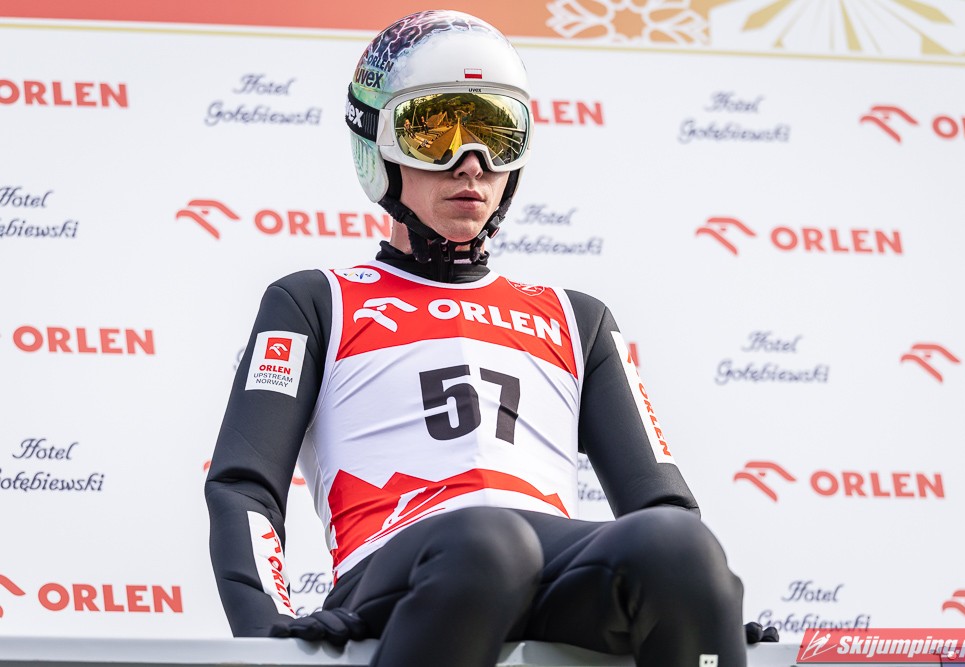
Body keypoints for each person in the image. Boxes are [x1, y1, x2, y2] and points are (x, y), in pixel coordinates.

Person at [206, 9, 772, 666]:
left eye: (497, 134)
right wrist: (266, 627)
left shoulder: (577, 317)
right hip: (404, 568)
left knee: (678, 549)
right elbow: (244, 483)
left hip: (546, 564)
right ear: (378, 147)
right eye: (434, 133)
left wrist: (704, 603)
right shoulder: (314, 301)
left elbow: (663, 506)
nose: (470, 164)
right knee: (489, 544)